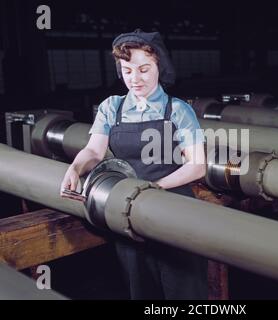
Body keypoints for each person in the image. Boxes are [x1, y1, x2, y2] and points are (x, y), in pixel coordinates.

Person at [60, 29, 208, 299]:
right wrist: (75, 168)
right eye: (127, 70)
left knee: (183, 290)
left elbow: (197, 165)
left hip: (174, 208)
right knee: (140, 289)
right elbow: (94, 149)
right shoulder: (111, 107)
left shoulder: (177, 110)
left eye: (144, 69)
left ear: (159, 66)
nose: (135, 79)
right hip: (125, 211)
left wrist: (153, 187)